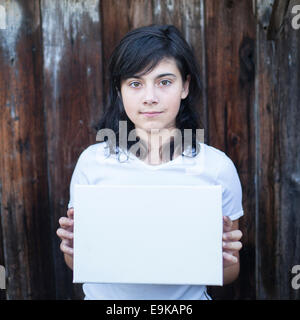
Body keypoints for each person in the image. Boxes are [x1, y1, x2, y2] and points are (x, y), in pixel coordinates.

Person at [56, 24, 243, 300]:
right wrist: (71, 250)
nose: (150, 97)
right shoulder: (92, 163)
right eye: (135, 83)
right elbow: (80, 266)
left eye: (164, 82)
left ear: (185, 86)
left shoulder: (217, 168)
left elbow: (229, 274)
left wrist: (224, 260)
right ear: (120, 91)